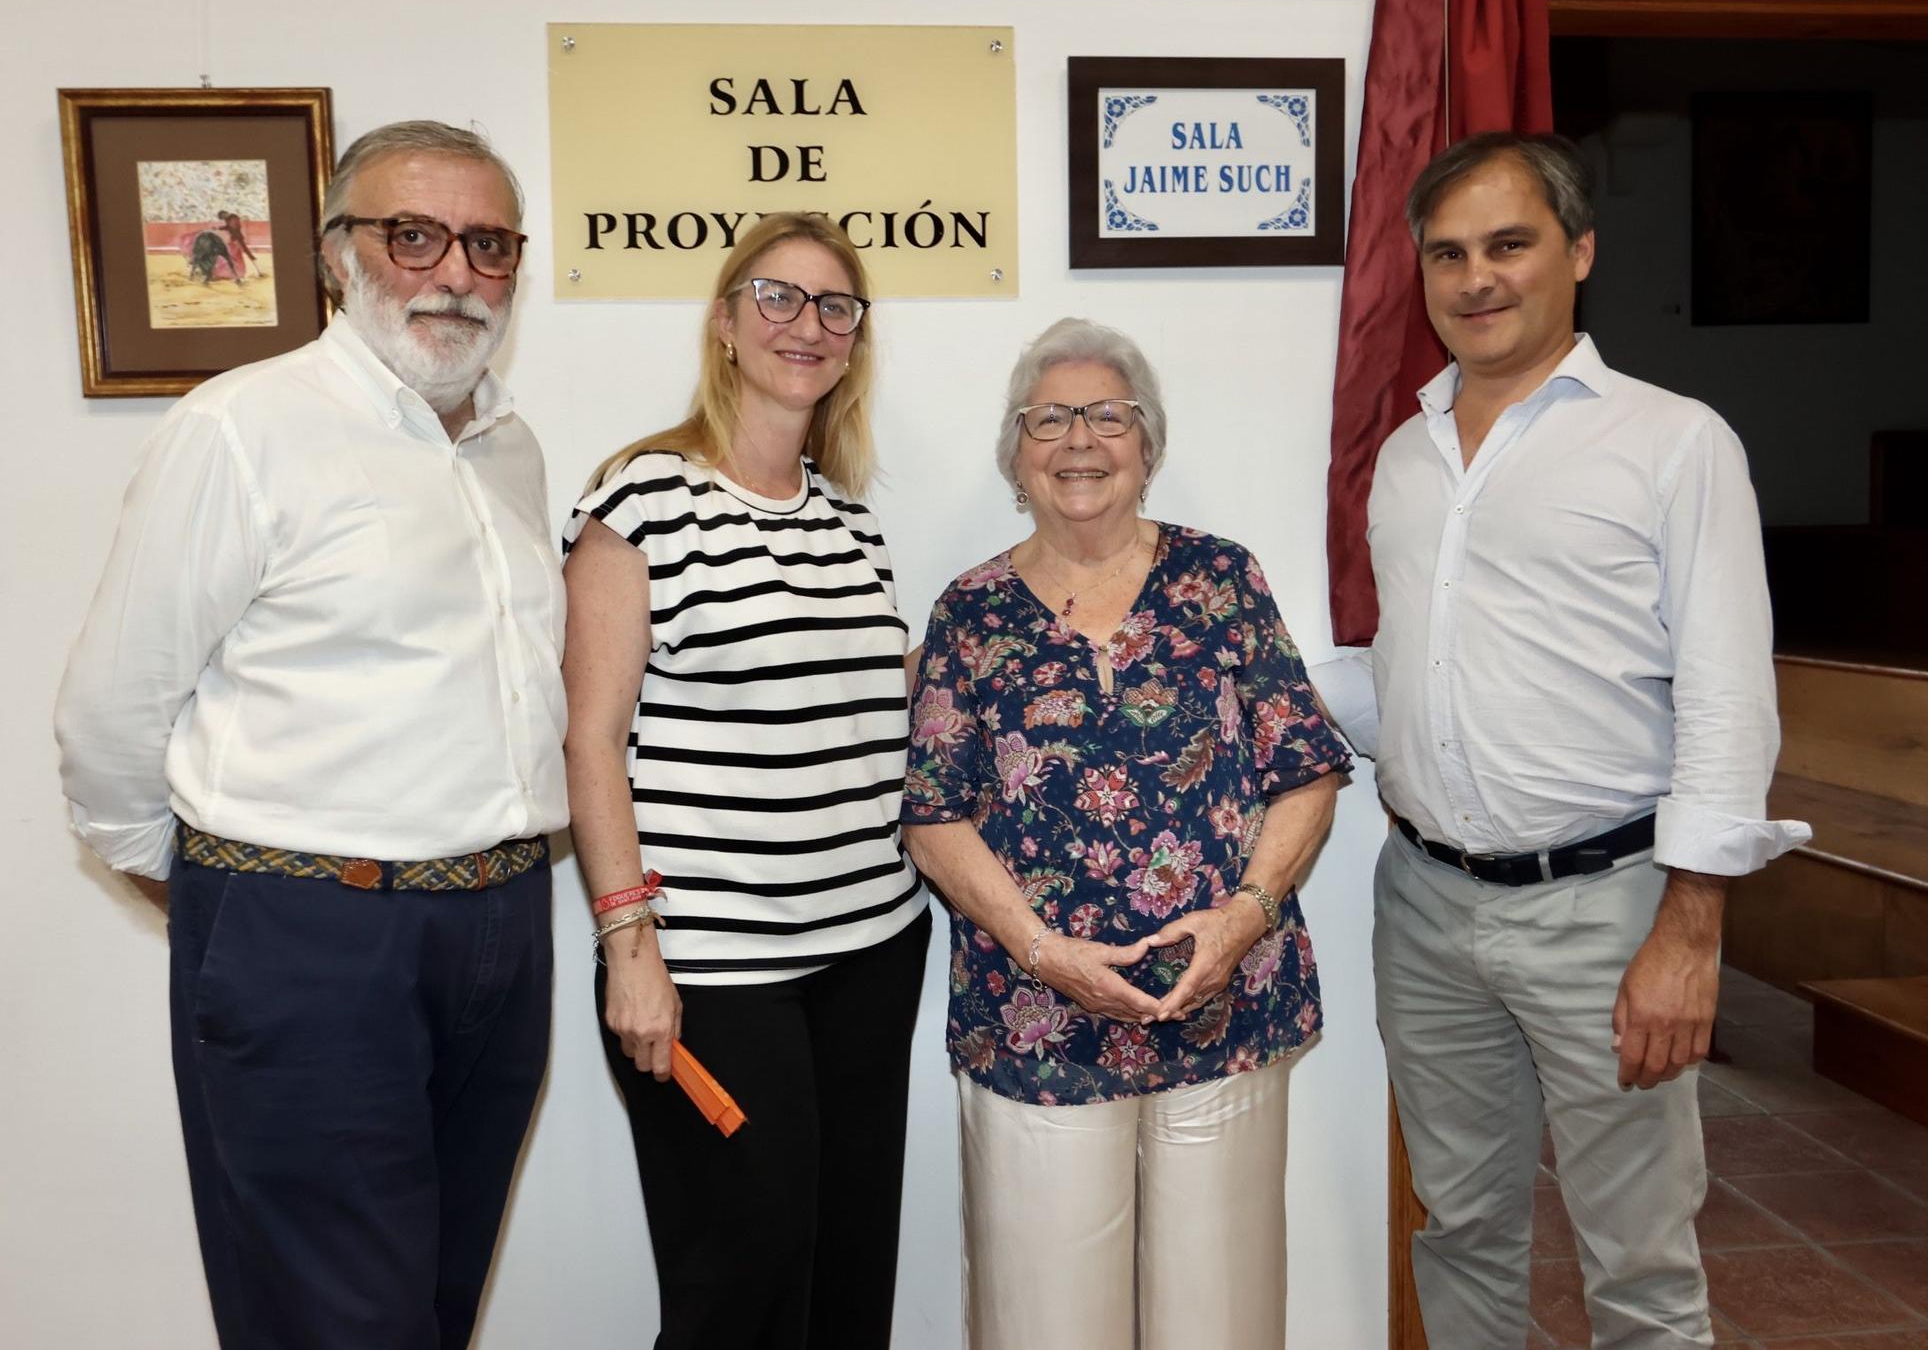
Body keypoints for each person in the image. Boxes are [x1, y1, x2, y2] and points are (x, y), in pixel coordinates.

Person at [54, 120, 561, 1350]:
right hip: (310, 931)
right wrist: (231, 899)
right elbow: (112, 711)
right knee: (333, 1323)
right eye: (413, 234)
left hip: (498, 921)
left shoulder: (509, 449)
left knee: (433, 1305)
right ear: (340, 256)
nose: (453, 271)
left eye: (487, 243)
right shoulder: (243, 429)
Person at [1345, 132, 1811, 1347]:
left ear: (1579, 252)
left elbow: (1725, 697)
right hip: (1426, 908)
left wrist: (1690, 929)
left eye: (1508, 244)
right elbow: (1411, 676)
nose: (1474, 278)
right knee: (1459, 1230)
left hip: (1607, 912)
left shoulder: (1672, 442)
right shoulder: (1404, 457)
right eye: (1446, 254)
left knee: (1639, 1267)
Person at [902, 318, 1351, 1350]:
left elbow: (1307, 767)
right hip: (1033, 1019)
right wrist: (1044, 951)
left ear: (1147, 446)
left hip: (1224, 1003)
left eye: (1108, 416)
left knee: (1221, 1319)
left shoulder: (1221, 580)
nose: (1079, 440)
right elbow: (931, 816)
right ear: (1014, 453)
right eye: (1048, 418)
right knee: (1041, 1321)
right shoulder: (969, 612)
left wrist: (1242, 917)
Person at [562, 211, 930, 1350]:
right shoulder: (641, 499)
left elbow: (872, 703)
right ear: (724, 323)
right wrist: (631, 947)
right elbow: (589, 740)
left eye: (834, 306)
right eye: (776, 296)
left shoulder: (849, 523)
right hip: (712, 968)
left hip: (871, 946)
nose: (805, 325)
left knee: (847, 1272)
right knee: (742, 1284)